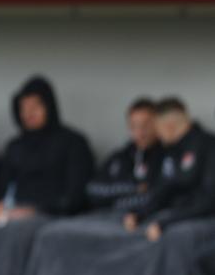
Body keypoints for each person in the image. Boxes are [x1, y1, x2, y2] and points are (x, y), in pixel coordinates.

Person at [0, 76, 94, 225]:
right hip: (10, 215)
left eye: (35, 107)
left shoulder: (73, 142)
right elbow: (2, 189)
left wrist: (35, 211)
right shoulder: (15, 146)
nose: (29, 113)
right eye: (24, 107)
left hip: (54, 218)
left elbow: (75, 197)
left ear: (49, 107)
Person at [123, 98, 215, 242]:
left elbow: (209, 200)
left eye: (157, 128)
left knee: (172, 238)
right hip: (178, 215)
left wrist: (167, 222)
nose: (157, 135)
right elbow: (166, 189)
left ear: (169, 126)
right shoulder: (169, 150)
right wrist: (140, 213)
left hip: (202, 219)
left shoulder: (208, 147)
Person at [87, 97, 162, 211]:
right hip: (111, 218)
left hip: (150, 219)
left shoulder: (168, 157)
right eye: (134, 126)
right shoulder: (121, 157)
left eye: (146, 125)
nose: (140, 131)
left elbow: (161, 197)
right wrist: (134, 188)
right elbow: (93, 189)